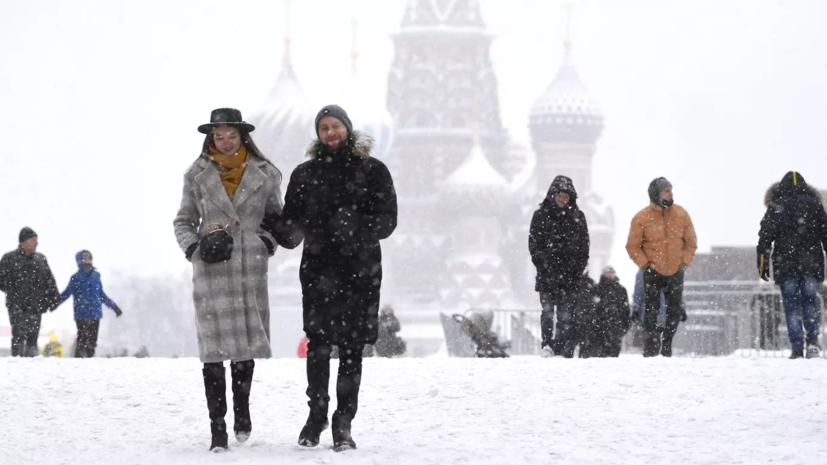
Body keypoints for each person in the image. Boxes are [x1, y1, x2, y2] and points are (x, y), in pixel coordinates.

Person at [262, 104, 398, 451]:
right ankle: (317, 413)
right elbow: (293, 230)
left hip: (360, 272)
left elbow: (387, 221)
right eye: (324, 128)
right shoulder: (306, 174)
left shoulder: (372, 171)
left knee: (352, 349)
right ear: (318, 134)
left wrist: (356, 224)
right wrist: (275, 225)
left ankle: (344, 421)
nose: (330, 132)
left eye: (335, 126)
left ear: (347, 129)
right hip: (320, 270)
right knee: (318, 346)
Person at [173, 108, 284, 452]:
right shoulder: (196, 175)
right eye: (218, 136)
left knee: (245, 344)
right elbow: (182, 221)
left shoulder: (265, 174)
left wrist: (265, 242)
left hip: (249, 266)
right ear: (211, 138)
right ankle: (217, 426)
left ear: (242, 137)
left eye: (230, 136)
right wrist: (196, 248)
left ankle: (243, 409)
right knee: (213, 350)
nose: (224, 142)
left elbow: (275, 219)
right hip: (212, 268)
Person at [757, 171, 827, 359]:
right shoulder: (814, 205)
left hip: (786, 264)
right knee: (810, 302)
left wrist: (763, 263)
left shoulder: (776, 206)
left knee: (790, 306)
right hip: (811, 264)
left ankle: (796, 347)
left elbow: (765, 237)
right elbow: (825, 234)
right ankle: (812, 341)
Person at [626, 178, 697, 357]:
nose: (670, 194)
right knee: (651, 310)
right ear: (656, 194)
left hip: (675, 270)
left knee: (673, 310)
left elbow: (691, 242)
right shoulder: (641, 218)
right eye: (666, 191)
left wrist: (683, 263)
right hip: (653, 271)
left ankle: (667, 343)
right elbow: (632, 246)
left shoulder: (681, 214)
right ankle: (651, 344)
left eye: (671, 190)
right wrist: (646, 265)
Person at [528, 175, 590, 359]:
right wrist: (543, 264)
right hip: (547, 275)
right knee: (547, 313)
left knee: (565, 315)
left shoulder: (578, 217)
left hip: (569, 277)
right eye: (560, 195)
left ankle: (562, 347)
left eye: (566, 196)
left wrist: (575, 270)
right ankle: (547, 345)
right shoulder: (540, 216)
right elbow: (533, 244)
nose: (563, 199)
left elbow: (584, 248)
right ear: (552, 195)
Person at [0, 228, 61, 357]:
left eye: (36, 241)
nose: (36, 243)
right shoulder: (9, 259)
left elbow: (49, 281)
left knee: (33, 337)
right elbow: (1, 280)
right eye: (33, 240)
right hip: (16, 305)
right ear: (23, 242)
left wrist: (54, 299)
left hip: (35, 305)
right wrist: (14, 291)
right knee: (19, 335)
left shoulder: (40, 260)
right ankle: (17, 363)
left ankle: (31, 365)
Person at [57, 250, 122, 358]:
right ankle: (78, 363)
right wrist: (54, 303)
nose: (87, 260)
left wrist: (114, 307)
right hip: (81, 314)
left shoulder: (96, 276)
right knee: (82, 340)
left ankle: (90, 363)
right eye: (84, 258)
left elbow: (101, 294)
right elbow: (67, 293)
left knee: (92, 342)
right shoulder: (75, 278)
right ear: (79, 260)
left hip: (95, 313)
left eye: (89, 258)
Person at [590, 267, 631, 357]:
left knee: (614, 356)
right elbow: (591, 308)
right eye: (607, 272)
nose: (610, 274)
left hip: (616, 327)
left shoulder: (621, 289)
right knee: (599, 356)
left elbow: (625, 309)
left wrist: (625, 325)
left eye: (612, 272)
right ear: (603, 274)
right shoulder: (597, 288)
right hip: (599, 328)